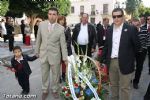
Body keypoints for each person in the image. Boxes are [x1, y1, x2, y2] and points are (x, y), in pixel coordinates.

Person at [100, 8, 140, 100]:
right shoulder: (109, 30)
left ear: (123, 17)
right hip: (112, 63)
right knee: (113, 86)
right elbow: (106, 46)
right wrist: (100, 60)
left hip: (126, 63)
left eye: (119, 16)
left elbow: (137, 47)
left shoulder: (130, 29)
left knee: (125, 88)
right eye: (114, 16)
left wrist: (130, 59)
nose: (116, 18)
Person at [35, 8, 68, 100]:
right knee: (44, 74)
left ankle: (54, 90)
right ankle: (45, 90)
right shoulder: (41, 25)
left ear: (57, 16)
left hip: (55, 56)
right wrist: (36, 51)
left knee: (55, 75)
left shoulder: (61, 28)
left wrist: (65, 58)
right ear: (47, 15)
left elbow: (63, 44)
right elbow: (38, 39)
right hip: (44, 54)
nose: (52, 16)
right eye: (50, 14)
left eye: (54, 14)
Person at [131, 18, 147, 89]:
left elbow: (147, 40)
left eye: (137, 25)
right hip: (132, 52)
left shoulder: (144, 30)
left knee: (139, 67)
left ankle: (136, 82)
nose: (136, 27)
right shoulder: (130, 31)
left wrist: (144, 49)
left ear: (139, 24)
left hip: (141, 52)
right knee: (130, 66)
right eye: (134, 26)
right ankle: (128, 79)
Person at [57, 15, 72, 82]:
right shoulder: (55, 28)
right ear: (58, 20)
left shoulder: (67, 28)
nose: (62, 21)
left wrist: (65, 46)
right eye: (61, 20)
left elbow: (69, 39)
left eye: (63, 20)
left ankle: (63, 75)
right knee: (57, 63)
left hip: (65, 49)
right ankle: (58, 76)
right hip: (57, 49)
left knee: (64, 63)